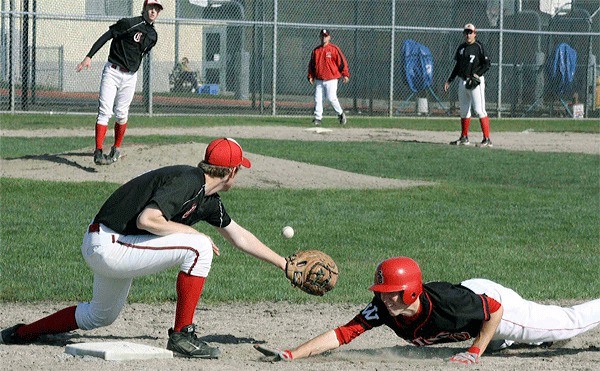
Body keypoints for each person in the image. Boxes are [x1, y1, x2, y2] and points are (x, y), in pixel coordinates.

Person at [0, 138, 289, 359]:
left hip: (110, 243)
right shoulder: (188, 180)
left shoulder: (207, 198)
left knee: (100, 316)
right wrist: (192, 232)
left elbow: (240, 237)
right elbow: (148, 219)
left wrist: (284, 265)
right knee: (199, 245)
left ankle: (22, 332)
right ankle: (181, 335)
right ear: (231, 172)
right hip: (109, 243)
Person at [255, 256, 599, 365]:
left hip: (488, 304)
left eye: (393, 294)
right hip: (469, 309)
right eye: (382, 293)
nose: (385, 300)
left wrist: (474, 352)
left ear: (413, 290)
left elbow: (493, 309)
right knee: (504, 342)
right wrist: (291, 354)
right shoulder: (385, 309)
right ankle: (501, 343)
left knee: (564, 326)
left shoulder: (447, 303)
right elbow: (344, 334)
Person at [76, 0, 163, 166]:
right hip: (113, 71)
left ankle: (116, 148)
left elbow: (139, 53)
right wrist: (89, 56)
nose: (153, 11)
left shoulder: (153, 36)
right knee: (105, 111)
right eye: (151, 7)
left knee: (122, 114)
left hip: (130, 77)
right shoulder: (129, 23)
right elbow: (106, 36)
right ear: (145, 8)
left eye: (157, 9)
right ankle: (98, 151)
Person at [444, 23, 493, 147]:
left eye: (470, 32)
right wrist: (450, 80)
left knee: (479, 110)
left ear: (475, 33)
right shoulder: (461, 48)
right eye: (466, 32)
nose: (468, 34)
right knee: (464, 111)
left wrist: (477, 75)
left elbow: (487, 64)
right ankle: (464, 137)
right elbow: (457, 66)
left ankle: (487, 139)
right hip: (463, 81)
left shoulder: (479, 46)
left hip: (475, 82)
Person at [308, 29, 350, 126]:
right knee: (318, 99)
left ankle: (340, 114)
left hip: (331, 79)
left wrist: (345, 74)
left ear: (329, 37)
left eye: (326, 36)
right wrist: (311, 76)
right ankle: (318, 118)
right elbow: (311, 65)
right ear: (320, 37)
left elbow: (342, 63)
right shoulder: (316, 50)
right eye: (322, 36)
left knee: (331, 98)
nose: (324, 38)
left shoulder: (334, 49)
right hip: (319, 79)